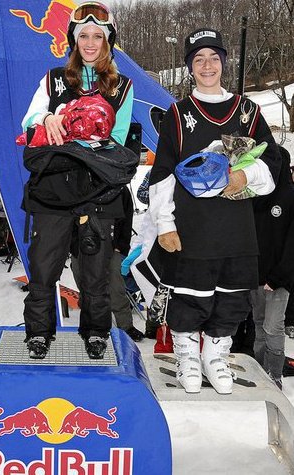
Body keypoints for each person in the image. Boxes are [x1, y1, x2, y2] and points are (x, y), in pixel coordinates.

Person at [148, 28, 280, 394]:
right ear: (190, 66)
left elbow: (273, 158)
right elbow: (162, 173)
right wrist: (164, 223)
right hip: (193, 229)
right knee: (190, 297)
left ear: (224, 62)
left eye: (214, 58)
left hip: (238, 229)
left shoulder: (248, 110)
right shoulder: (178, 113)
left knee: (233, 297)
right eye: (199, 59)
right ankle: (188, 354)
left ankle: (216, 354)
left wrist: (245, 174)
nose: (207, 65)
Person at [21, 2, 133, 359]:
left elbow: (114, 140)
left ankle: (96, 331)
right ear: (73, 38)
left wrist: (73, 141)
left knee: (95, 271)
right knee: (43, 267)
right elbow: (30, 121)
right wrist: (48, 118)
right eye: (83, 35)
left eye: (97, 36)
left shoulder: (122, 86)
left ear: (108, 40)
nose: (89, 42)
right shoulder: (53, 78)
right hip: (53, 189)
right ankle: (39, 332)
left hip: (98, 191)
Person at [71, 187, 144, 342]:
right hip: (81, 248)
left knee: (116, 286)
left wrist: (120, 247)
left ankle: (125, 326)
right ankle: (90, 324)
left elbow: (126, 219)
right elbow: (69, 218)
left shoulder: (120, 189)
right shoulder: (78, 183)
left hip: (112, 247)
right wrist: (74, 247)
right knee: (85, 284)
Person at [251, 145, 294, 389]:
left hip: (278, 280)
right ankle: (260, 373)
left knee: (272, 327)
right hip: (255, 275)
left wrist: (279, 277)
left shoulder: (290, 196)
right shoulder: (257, 196)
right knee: (258, 327)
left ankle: (274, 376)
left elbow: (292, 246)